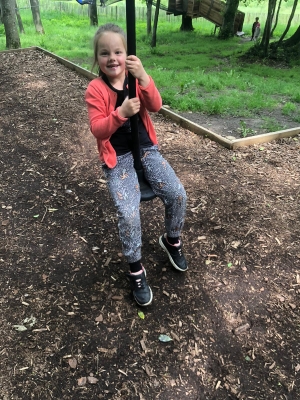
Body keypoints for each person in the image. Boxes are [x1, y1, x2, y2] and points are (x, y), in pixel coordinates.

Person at [85, 23, 188, 307]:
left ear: (127, 54)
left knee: (178, 194)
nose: (112, 58)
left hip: (146, 151)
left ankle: (172, 240)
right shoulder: (95, 89)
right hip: (118, 159)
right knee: (129, 214)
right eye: (104, 53)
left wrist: (143, 76)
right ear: (97, 58)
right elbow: (98, 129)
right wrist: (120, 114)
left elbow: (155, 105)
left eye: (118, 51)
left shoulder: (133, 79)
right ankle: (135, 269)